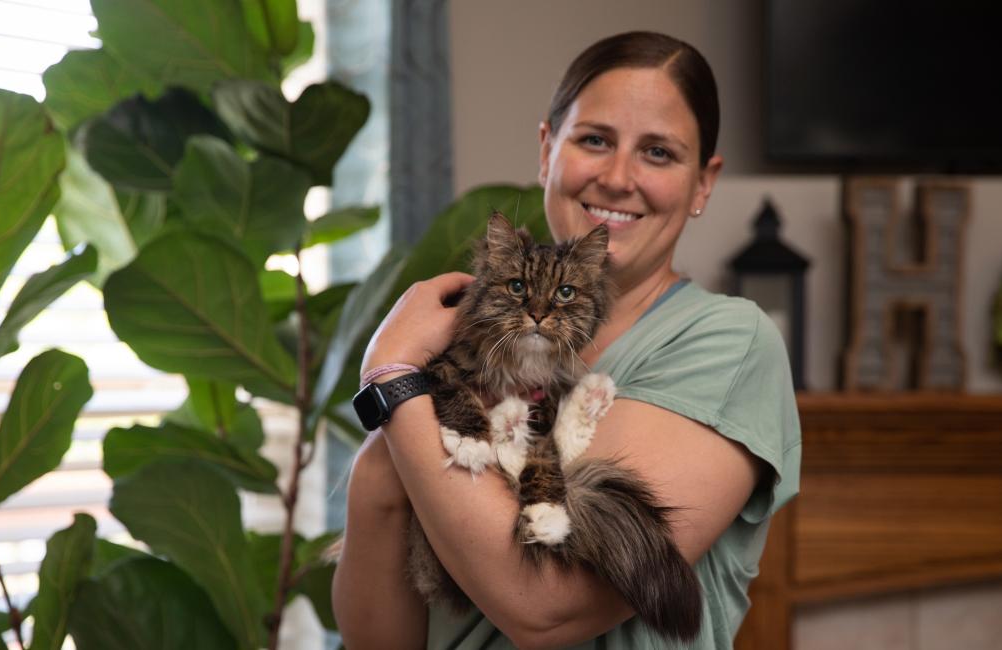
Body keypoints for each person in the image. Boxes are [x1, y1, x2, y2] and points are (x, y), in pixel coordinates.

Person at [331, 31, 801, 649]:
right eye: (595, 140)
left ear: (703, 184)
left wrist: (392, 381)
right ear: (548, 149)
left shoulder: (729, 341)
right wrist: (379, 472)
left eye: (658, 153)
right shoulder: (462, 334)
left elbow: (548, 608)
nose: (617, 177)